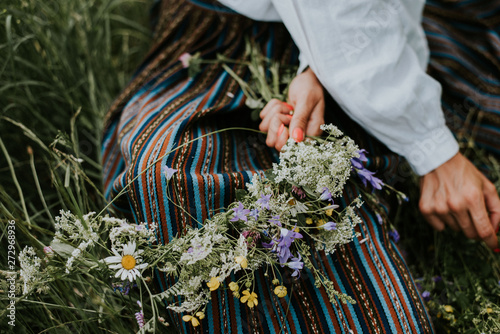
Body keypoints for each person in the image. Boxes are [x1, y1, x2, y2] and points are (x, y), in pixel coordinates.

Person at [101, 0, 500, 332]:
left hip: (367, 18)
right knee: (194, 179)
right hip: (232, 33)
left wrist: (317, 63)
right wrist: (437, 154)